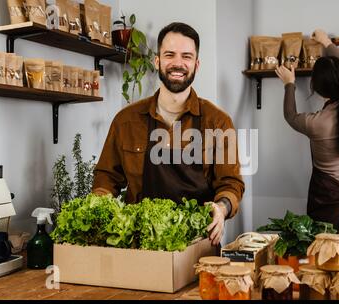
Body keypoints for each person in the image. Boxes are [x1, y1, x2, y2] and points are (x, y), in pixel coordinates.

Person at [92, 22, 244, 245]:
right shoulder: (127, 121)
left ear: (196, 64)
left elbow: (231, 184)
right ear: (157, 61)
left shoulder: (218, 122)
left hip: (198, 245)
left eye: (187, 56)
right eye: (170, 55)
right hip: (139, 244)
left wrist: (221, 208)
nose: (178, 63)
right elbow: (106, 177)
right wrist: (100, 209)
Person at [275, 29, 339, 232]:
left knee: (323, 258)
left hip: (327, 204)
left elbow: (290, 115)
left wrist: (289, 84)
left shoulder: (316, 122)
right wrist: (326, 42)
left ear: (315, 87)